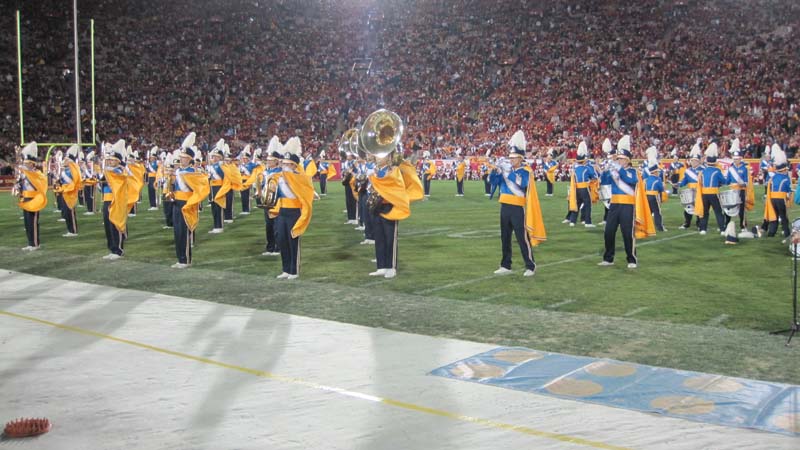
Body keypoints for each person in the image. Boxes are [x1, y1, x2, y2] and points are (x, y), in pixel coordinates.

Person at [490, 130, 546, 277]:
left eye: (514, 158)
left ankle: (530, 265)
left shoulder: (525, 170)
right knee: (505, 237)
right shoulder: (507, 168)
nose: (511, 160)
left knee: (522, 238)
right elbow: (494, 183)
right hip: (505, 206)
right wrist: (496, 172)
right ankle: (505, 265)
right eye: (510, 158)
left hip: (517, 208)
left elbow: (521, 183)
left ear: (520, 158)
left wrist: (507, 171)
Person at [599, 135, 654, 268]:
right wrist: (605, 171)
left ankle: (632, 259)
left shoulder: (633, 172)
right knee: (609, 231)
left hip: (628, 205)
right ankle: (608, 258)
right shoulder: (616, 170)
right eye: (618, 159)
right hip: (614, 204)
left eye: (621, 159)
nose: (619, 161)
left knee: (627, 232)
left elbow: (629, 180)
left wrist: (617, 168)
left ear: (628, 160)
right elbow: (605, 182)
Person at [368, 150, 424, 279]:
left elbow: (398, 187)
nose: (377, 158)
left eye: (380, 156)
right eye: (376, 155)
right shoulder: (374, 171)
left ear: (388, 157)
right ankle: (381, 266)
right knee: (379, 237)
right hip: (377, 207)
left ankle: (391, 267)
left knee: (390, 238)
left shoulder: (394, 171)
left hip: (390, 207)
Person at [273, 137, 315, 280]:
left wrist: (284, 173)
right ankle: (285, 269)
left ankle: (294, 270)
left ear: (295, 165)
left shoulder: (299, 176)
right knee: (282, 240)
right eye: (284, 163)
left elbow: (301, 186)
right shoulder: (280, 176)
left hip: (294, 212)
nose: (285, 166)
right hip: (282, 211)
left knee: (293, 241)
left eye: (288, 164)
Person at [171, 132, 209, 268]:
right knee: (177, 232)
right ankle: (179, 258)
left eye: (185, 158)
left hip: (186, 203)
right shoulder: (177, 171)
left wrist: (192, 201)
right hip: (175, 202)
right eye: (181, 157)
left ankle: (185, 259)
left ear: (190, 159)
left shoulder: (193, 172)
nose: (182, 160)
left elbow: (201, 188)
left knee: (184, 232)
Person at [16, 142, 48, 251]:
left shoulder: (37, 173)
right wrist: (17, 185)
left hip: (34, 199)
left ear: (32, 163)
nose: (25, 164)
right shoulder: (25, 173)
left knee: (33, 222)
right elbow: (22, 185)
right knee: (27, 222)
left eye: (27, 163)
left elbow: (41, 185)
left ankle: (35, 243)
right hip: (25, 198)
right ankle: (30, 243)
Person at [100, 140, 129, 260]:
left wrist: (105, 168)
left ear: (118, 160)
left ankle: (118, 249)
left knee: (115, 223)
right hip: (107, 200)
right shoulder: (108, 171)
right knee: (108, 224)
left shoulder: (120, 170)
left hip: (116, 200)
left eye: (112, 159)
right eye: (109, 159)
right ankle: (112, 248)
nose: (110, 161)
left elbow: (117, 175)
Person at [696, 142, 727, 236]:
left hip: (704, 193)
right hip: (714, 193)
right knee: (718, 212)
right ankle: (722, 229)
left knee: (705, 212)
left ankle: (703, 229)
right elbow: (724, 181)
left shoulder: (703, 171)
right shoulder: (717, 171)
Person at [54, 145, 82, 237]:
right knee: (66, 211)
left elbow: (74, 181)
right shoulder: (65, 169)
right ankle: (69, 229)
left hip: (70, 191)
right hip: (64, 191)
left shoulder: (72, 169)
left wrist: (62, 173)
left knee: (70, 211)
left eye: (66, 159)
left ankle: (73, 230)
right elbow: (60, 181)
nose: (64, 161)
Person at [567, 141, 597, 228]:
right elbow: (594, 177)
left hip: (576, 189)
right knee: (588, 204)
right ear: (584, 161)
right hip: (584, 188)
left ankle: (572, 221)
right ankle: (587, 222)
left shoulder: (575, 169)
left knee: (577, 204)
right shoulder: (586, 168)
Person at [261, 136, 283, 256]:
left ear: (276, 161)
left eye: (270, 160)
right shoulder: (266, 172)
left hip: (276, 200)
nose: (268, 162)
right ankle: (269, 247)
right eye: (268, 160)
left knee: (276, 225)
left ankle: (278, 247)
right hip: (266, 200)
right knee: (268, 225)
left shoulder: (280, 172)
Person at [766, 144, 791, 238]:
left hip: (772, 199)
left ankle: (771, 233)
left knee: (774, 216)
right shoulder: (786, 178)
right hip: (781, 199)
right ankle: (786, 233)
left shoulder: (774, 177)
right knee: (783, 217)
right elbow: (788, 190)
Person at [725, 138, 751, 229]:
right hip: (732, 190)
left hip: (741, 191)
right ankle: (726, 223)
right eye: (734, 159)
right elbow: (727, 180)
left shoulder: (744, 168)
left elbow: (747, 182)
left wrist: (742, 184)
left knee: (741, 209)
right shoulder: (731, 168)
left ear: (740, 159)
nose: (735, 160)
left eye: (737, 159)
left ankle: (742, 224)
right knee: (729, 207)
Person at [678, 143, 703, 229]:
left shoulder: (703, 169)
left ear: (699, 161)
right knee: (688, 207)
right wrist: (680, 184)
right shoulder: (688, 170)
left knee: (699, 208)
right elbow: (685, 180)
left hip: (699, 191)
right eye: (692, 160)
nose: (693, 162)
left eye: (695, 161)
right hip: (690, 191)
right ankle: (687, 223)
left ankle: (699, 224)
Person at [644, 147, 667, 232]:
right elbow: (661, 189)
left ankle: (646, 226)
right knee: (657, 212)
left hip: (647, 195)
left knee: (648, 212)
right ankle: (660, 227)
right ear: (656, 172)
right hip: (654, 196)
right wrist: (664, 188)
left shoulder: (647, 179)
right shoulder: (658, 179)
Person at [207, 139, 227, 233]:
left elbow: (223, 178)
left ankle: (220, 226)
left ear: (220, 158)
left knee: (219, 206)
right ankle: (216, 226)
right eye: (213, 156)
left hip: (218, 187)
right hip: (211, 188)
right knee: (213, 207)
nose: (214, 158)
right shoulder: (211, 166)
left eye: (216, 156)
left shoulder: (221, 166)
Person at [238, 145, 256, 215]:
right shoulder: (241, 165)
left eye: (245, 158)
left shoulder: (251, 164)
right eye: (243, 158)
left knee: (247, 195)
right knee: (242, 196)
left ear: (248, 159)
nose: (244, 160)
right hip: (241, 181)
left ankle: (247, 209)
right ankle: (244, 209)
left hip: (248, 181)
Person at [342, 151, 358, 224]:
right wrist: (344, 173)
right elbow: (344, 171)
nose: (347, 156)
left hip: (353, 182)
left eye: (349, 155)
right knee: (348, 200)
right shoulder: (346, 163)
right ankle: (350, 217)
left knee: (353, 199)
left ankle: (354, 217)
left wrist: (351, 172)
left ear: (352, 156)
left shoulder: (355, 162)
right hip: (347, 182)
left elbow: (357, 172)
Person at [81, 150, 98, 215]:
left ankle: (91, 210)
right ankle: (89, 209)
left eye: (89, 161)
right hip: (86, 184)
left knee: (91, 197)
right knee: (87, 197)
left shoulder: (94, 167)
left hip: (91, 184)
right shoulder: (88, 167)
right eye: (87, 162)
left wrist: (85, 170)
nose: (88, 163)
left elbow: (91, 176)